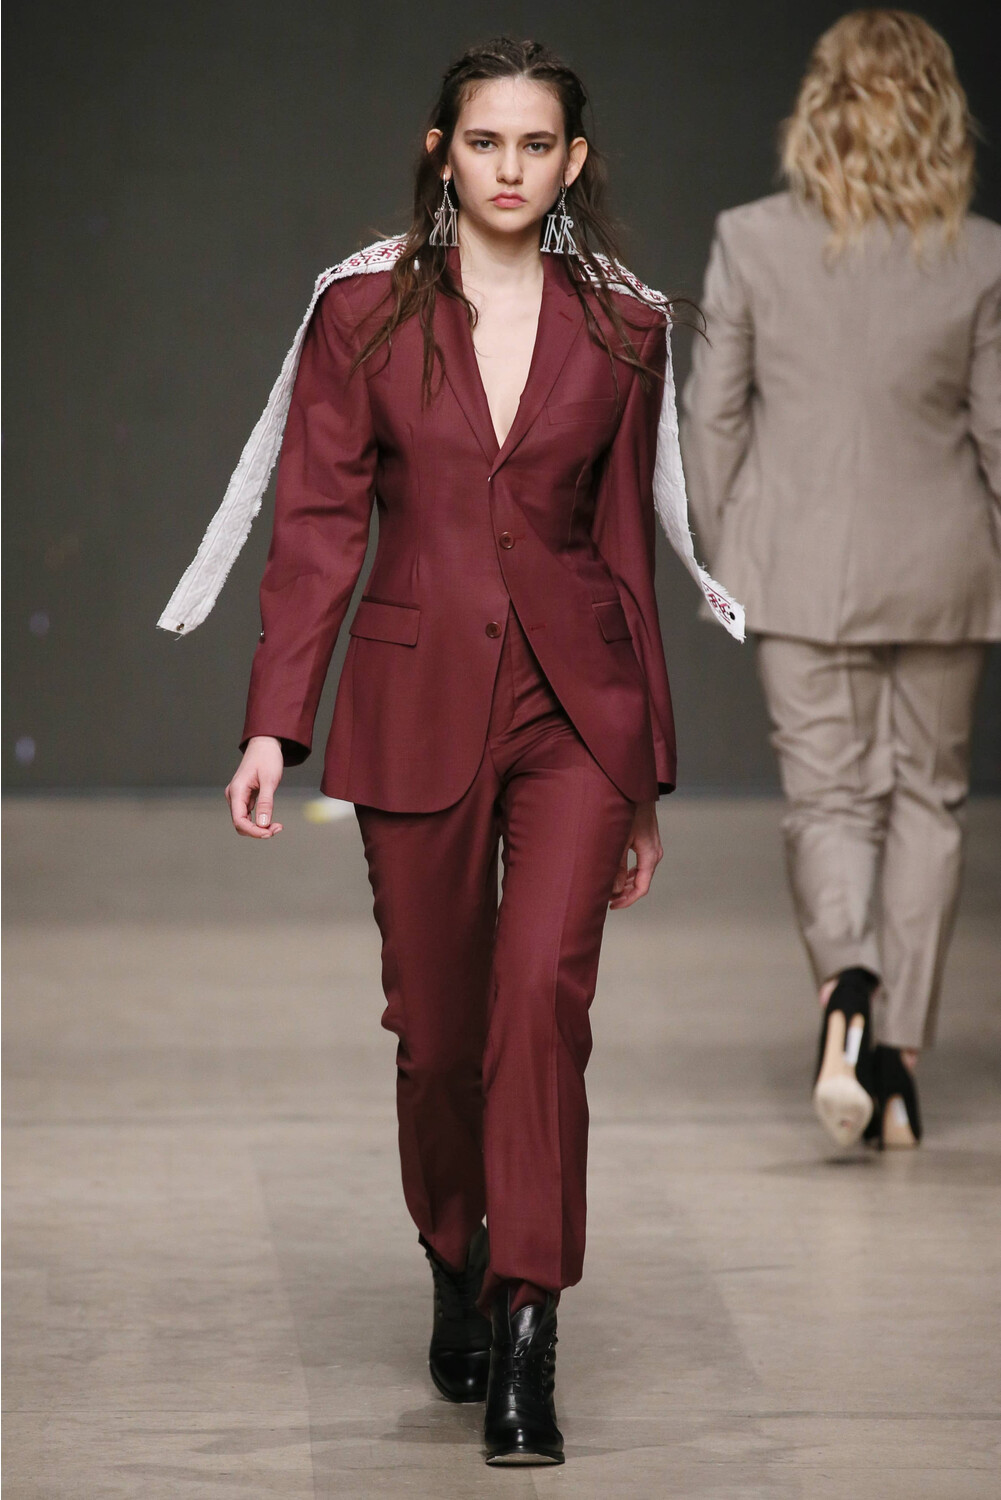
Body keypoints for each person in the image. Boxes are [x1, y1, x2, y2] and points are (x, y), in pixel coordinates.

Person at [158, 37, 740, 1464]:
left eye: (536, 145)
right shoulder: (362, 311)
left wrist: (645, 773)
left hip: (573, 713)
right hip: (414, 701)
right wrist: (273, 720)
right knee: (435, 1033)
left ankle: (529, 1322)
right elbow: (316, 523)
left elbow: (623, 550)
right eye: (485, 142)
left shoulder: (624, 326)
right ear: (442, 149)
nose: (509, 169)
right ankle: (453, 1244)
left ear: (572, 162)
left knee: (540, 1001)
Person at [681, 9, 1001, 1152]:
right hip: (944, 567)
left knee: (826, 800)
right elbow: (996, 435)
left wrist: (725, 559)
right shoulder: (981, 255)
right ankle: (896, 1062)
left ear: (817, 107)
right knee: (925, 800)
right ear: (937, 113)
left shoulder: (750, 240)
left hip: (794, 564)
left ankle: (846, 986)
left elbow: (710, 421)